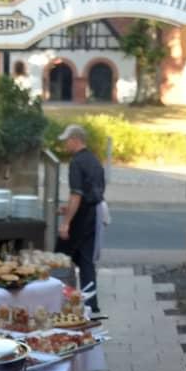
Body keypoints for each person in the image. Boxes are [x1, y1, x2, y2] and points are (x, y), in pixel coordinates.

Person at [56, 124, 105, 313]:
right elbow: (90, 193)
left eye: (66, 141)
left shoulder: (76, 162)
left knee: (59, 259)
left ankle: (60, 301)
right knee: (86, 261)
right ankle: (91, 304)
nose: (65, 145)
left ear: (75, 140)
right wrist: (69, 209)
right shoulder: (94, 160)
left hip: (81, 218)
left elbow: (76, 195)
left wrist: (66, 222)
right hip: (93, 215)